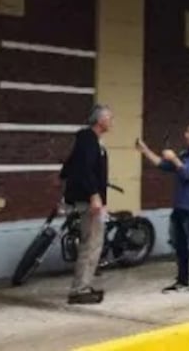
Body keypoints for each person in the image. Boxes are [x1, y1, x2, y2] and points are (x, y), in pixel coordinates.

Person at [135, 120, 189, 294]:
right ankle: (182, 280)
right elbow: (163, 165)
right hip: (180, 206)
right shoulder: (185, 154)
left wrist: (174, 158)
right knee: (180, 245)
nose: (186, 135)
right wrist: (145, 150)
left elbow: (188, 174)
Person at [59, 103, 112, 305]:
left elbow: (68, 168)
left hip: (85, 198)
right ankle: (79, 290)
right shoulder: (89, 140)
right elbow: (85, 170)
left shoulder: (87, 140)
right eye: (110, 118)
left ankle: (84, 286)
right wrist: (94, 195)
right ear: (100, 120)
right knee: (91, 244)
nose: (112, 122)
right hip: (89, 201)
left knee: (90, 243)